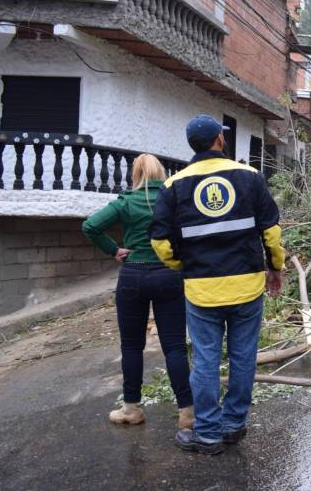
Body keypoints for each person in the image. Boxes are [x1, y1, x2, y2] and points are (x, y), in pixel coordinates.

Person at [150, 114, 285, 455]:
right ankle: (234, 424)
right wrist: (276, 268)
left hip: (202, 289)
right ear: (219, 141)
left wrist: (183, 265)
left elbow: (160, 242)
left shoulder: (173, 186)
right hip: (247, 287)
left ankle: (207, 432)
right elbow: (271, 232)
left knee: (206, 360)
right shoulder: (250, 177)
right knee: (243, 357)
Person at [82, 154, 193, 429]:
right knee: (175, 347)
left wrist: (114, 250)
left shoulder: (127, 201)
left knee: (132, 346)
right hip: (169, 275)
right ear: (161, 172)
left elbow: (90, 226)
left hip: (133, 276)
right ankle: (188, 412)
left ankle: (131, 409)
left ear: (136, 174)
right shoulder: (175, 200)